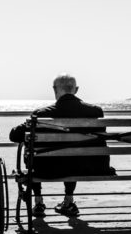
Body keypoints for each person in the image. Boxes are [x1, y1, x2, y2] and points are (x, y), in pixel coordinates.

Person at [9, 73, 112, 217]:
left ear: (54, 90)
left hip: (46, 169)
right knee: (75, 154)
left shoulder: (40, 114)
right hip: (87, 168)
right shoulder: (95, 112)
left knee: (32, 149)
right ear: (76, 90)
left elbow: (14, 135)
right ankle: (68, 201)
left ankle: (38, 202)